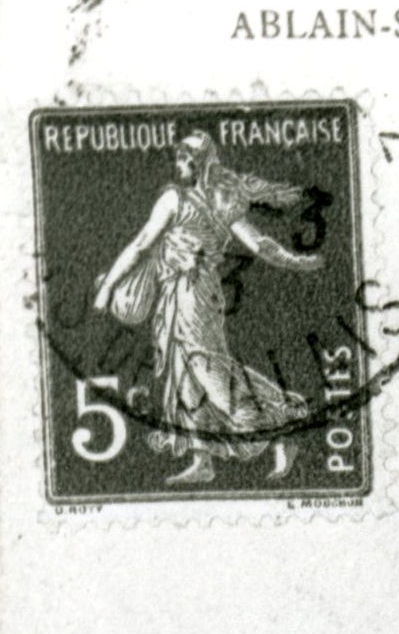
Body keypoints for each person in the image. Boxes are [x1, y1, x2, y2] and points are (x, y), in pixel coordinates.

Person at [91, 131, 325, 485]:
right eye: (179, 158)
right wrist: (109, 285)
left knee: (209, 370)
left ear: (200, 163)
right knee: (183, 375)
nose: (179, 165)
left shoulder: (210, 201)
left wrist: (296, 261)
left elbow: (259, 244)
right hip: (175, 294)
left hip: (197, 295)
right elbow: (142, 244)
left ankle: (284, 421)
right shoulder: (176, 198)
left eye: (186, 159)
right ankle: (203, 461)